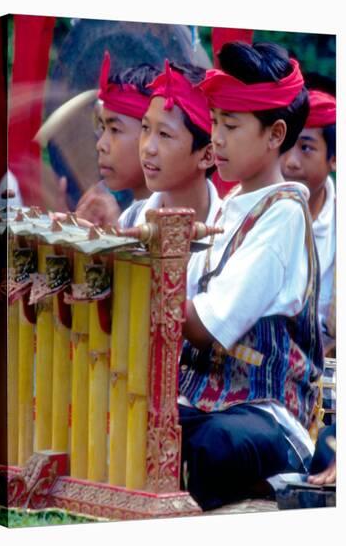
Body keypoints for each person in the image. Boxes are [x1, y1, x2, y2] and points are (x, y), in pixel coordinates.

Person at [178, 41, 324, 511]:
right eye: (215, 122)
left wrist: (139, 286)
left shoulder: (284, 213)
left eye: (231, 125)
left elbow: (203, 327)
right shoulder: (230, 210)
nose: (215, 138)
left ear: (275, 133)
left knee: (213, 446)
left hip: (268, 414)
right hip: (203, 404)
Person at [119, 60, 221, 298]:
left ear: (207, 155)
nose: (148, 148)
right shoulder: (131, 219)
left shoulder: (228, 235)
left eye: (164, 134)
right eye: (145, 128)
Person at [280, 87, 336, 354]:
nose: (290, 162)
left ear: (334, 159)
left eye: (306, 148)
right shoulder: (259, 209)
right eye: (286, 146)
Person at [75, 51, 160, 226]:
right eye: (103, 128)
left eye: (114, 129)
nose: (100, 145)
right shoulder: (129, 216)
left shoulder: (176, 226)